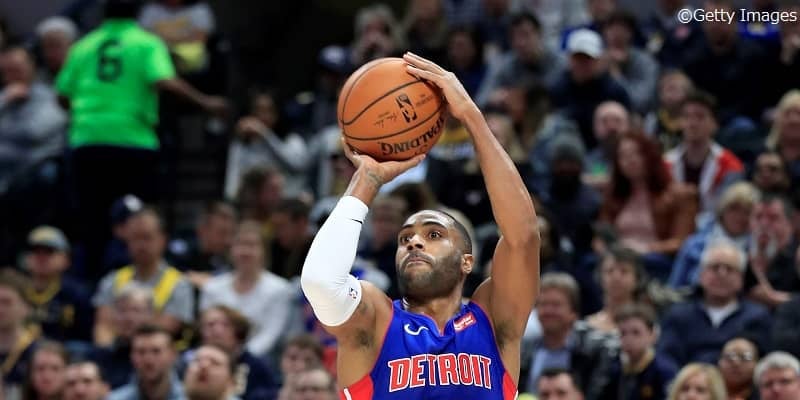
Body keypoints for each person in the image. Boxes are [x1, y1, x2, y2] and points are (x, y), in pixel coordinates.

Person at [300, 52, 540, 398]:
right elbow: (320, 282)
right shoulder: (376, 321)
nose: (414, 242)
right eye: (404, 238)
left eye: (434, 234)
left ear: (467, 261)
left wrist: (471, 117)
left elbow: (524, 236)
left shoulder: (493, 319)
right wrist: (367, 179)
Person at [55, 0, 228, 283]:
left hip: (88, 142)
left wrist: (90, 110)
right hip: (133, 141)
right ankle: (137, 280)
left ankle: (94, 281)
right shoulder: (147, 43)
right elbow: (164, 81)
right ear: (137, 13)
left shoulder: (83, 46)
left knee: (91, 220)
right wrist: (205, 102)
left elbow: (62, 94)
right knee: (139, 219)